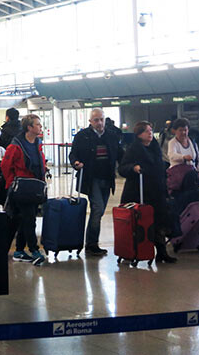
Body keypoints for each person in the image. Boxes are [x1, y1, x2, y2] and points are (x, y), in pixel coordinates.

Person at [118, 121, 177, 263]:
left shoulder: (155, 147)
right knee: (141, 223)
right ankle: (133, 251)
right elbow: (122, 168)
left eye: (151, 130)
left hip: (157, 191)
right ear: (139, 134)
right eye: (146, 131)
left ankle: (161, 252)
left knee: (159, 222)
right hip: (139, 192)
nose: (150, 133)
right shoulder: (133, 149)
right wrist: (134, 168)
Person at [69, 108, 123, 256]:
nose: (99, 123)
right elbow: (73, 153)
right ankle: (92, 244)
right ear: (90, 122)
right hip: (91, 178)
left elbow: (120, 154)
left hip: (107, 178)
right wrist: (76, 163)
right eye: (96, 120)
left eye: (101, 119)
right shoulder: (83, 136)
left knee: (97, 211)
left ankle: (90, 243)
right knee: (98, 208)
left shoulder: (111, 136)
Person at [1, 114, 47, 265]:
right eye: (38, 125)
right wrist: (12, 183)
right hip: (21, 188)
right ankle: (34, 249)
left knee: (23, 219)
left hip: (35, 187)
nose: (40, 127)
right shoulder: (16, 145)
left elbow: (41, 162)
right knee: (29, 219)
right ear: (29, 127)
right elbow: (6, 166)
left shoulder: (37, 143)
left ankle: (19, 250)